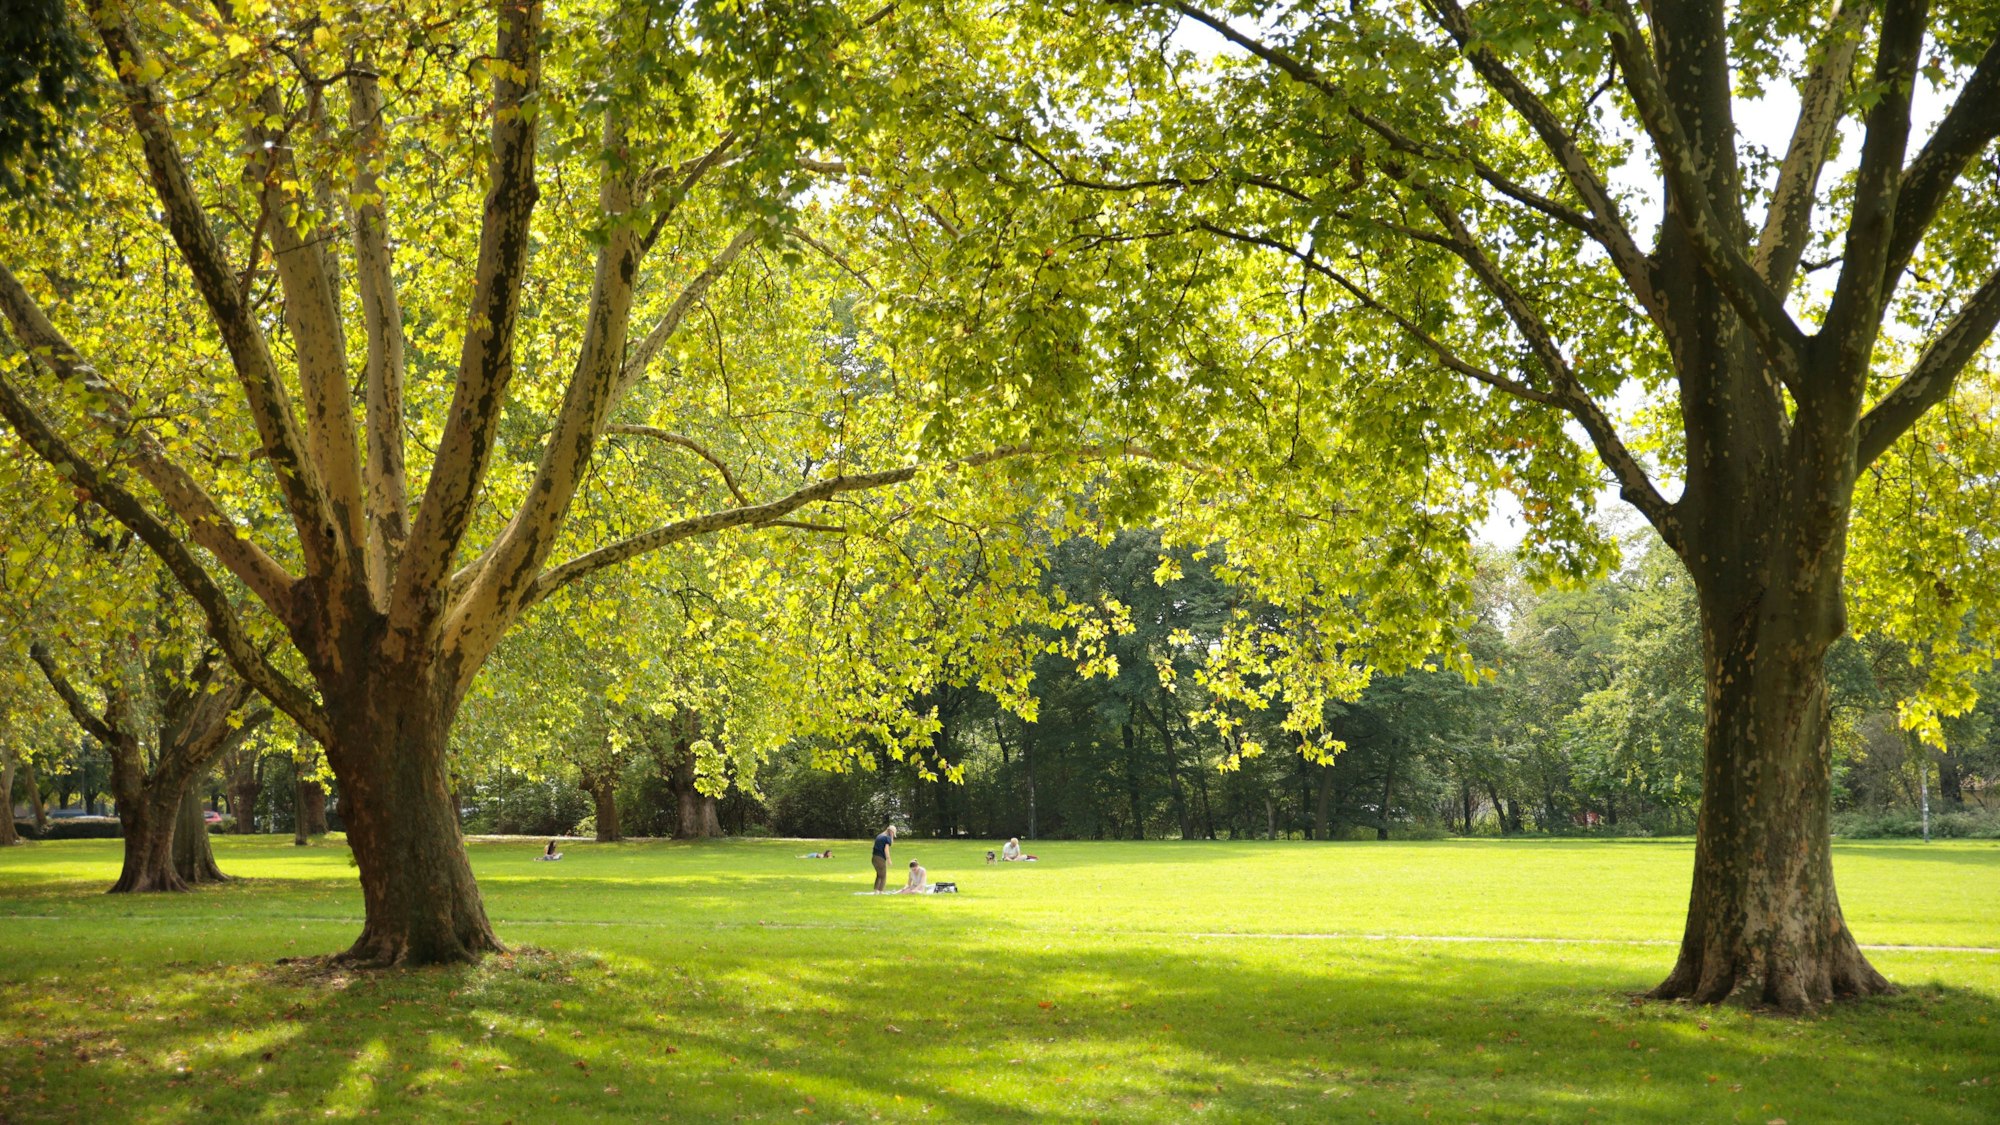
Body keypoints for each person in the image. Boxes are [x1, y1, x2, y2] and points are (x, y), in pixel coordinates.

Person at [871, 825, 897, 892]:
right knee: (883, 876)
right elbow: (886, 849)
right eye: (893, 833)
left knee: (879, 875)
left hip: (874, 858)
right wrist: (889, 859)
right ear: (891, 832)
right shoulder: (887, 838)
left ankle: (876, 890)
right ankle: (881, 891)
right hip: (880, 858)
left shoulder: (879, 836)